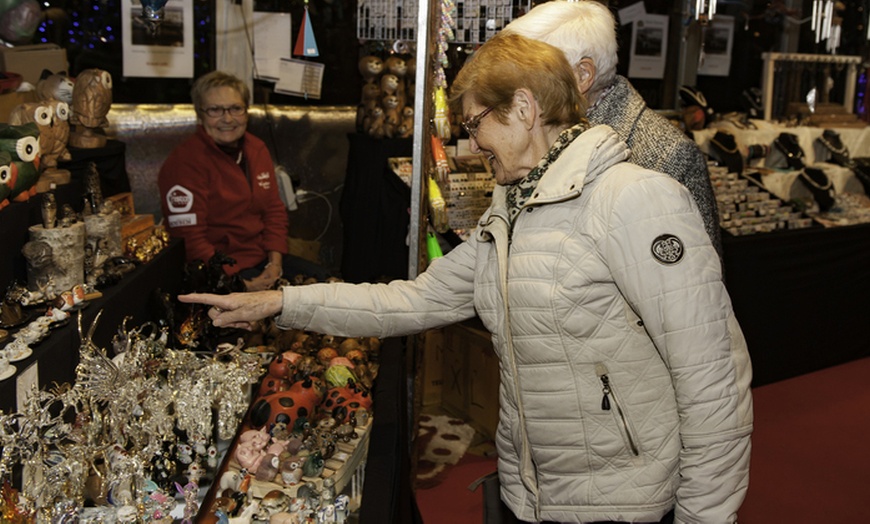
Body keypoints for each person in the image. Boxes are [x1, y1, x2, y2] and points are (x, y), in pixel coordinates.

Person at [180, 34, 752, 523]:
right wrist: (281, 303)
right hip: (533, 492)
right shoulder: (511, 209)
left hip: (622, 500)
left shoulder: (635, 199)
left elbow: (712, 378)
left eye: (476, 124)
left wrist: (704, 514)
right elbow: (411, 300)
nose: (471, 143)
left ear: (524, 108)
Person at [502, 0, 723, 260]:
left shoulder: (667, 155)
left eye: (530, 74)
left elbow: (697, 282)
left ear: (583, 75)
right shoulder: (541, 130)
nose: (518, 87)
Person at [158, 71, 329, 291]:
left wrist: (274, 264)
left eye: (235, 108)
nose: (227, 119)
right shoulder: (183, 163)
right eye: (215, 110)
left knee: (328, 286)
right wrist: (242, 286)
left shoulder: (256, 149)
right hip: (216, 272)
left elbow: (273, 212)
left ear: (246, 112)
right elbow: (191, 242)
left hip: (262, 261)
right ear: (200, 115)